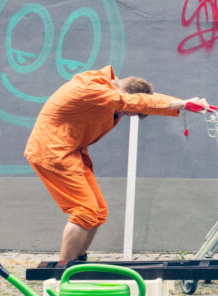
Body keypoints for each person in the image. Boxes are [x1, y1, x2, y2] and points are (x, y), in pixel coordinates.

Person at [24, 66, 207, 263]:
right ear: (123, 93)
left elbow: (140, 99)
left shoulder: (113, 91)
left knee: (98, 212)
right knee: (85, 212)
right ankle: (63, 270)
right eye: (125, 113)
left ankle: (77, 261)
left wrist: (187, 103)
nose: (122, 116)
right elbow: (126, 101)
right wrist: (181, 104)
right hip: (52, 151)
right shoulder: (90, 87)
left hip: (71, 152)